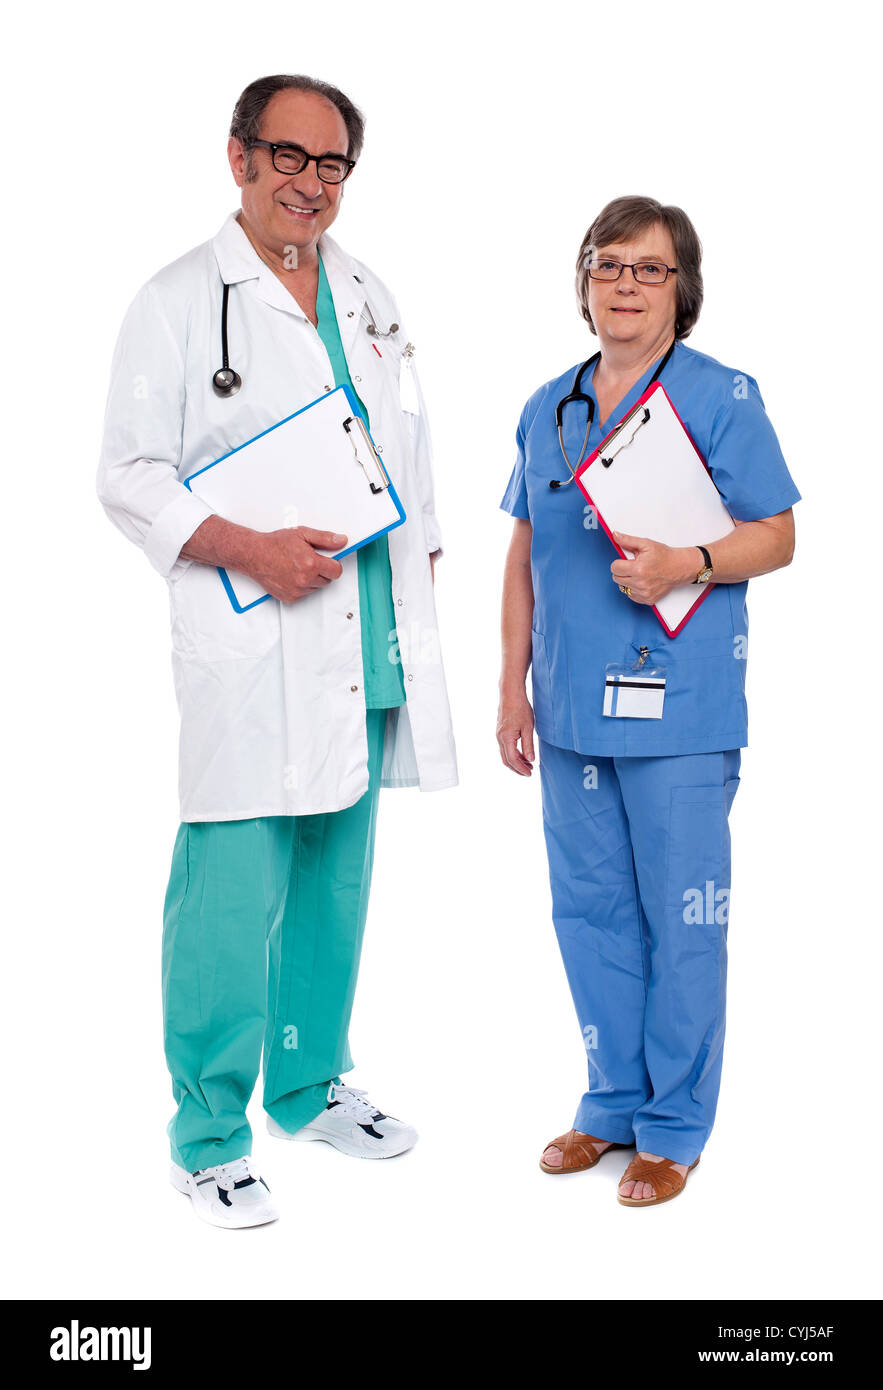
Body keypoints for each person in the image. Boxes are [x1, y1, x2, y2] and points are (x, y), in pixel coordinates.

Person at [97, 73, 457, 1229]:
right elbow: (126, 474)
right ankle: (205, 1132)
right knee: (227, 885)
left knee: (334, 873)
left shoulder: (367, 291)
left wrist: (422, 555)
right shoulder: (175, 300)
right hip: (255, 639)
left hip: (361, 624)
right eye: (288, 157)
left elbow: (404, 444)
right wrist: (249, 547)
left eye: (333, 163)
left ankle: (307, 1083)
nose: (311, 182)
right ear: (239, 157)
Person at [497, 195, 799, 1207]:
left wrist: (689, 560)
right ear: (584, 281)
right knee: (588, 912)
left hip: (680, 708)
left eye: (649, 269)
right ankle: (608, 1103)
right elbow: (524, 551)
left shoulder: (723, 397)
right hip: (571, 708)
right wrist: (511, 684)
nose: (625, 283)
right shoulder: (549, 406)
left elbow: (778, 534)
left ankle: (673, 1127)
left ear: (682, 289)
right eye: (608, 264)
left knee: (683, 917)